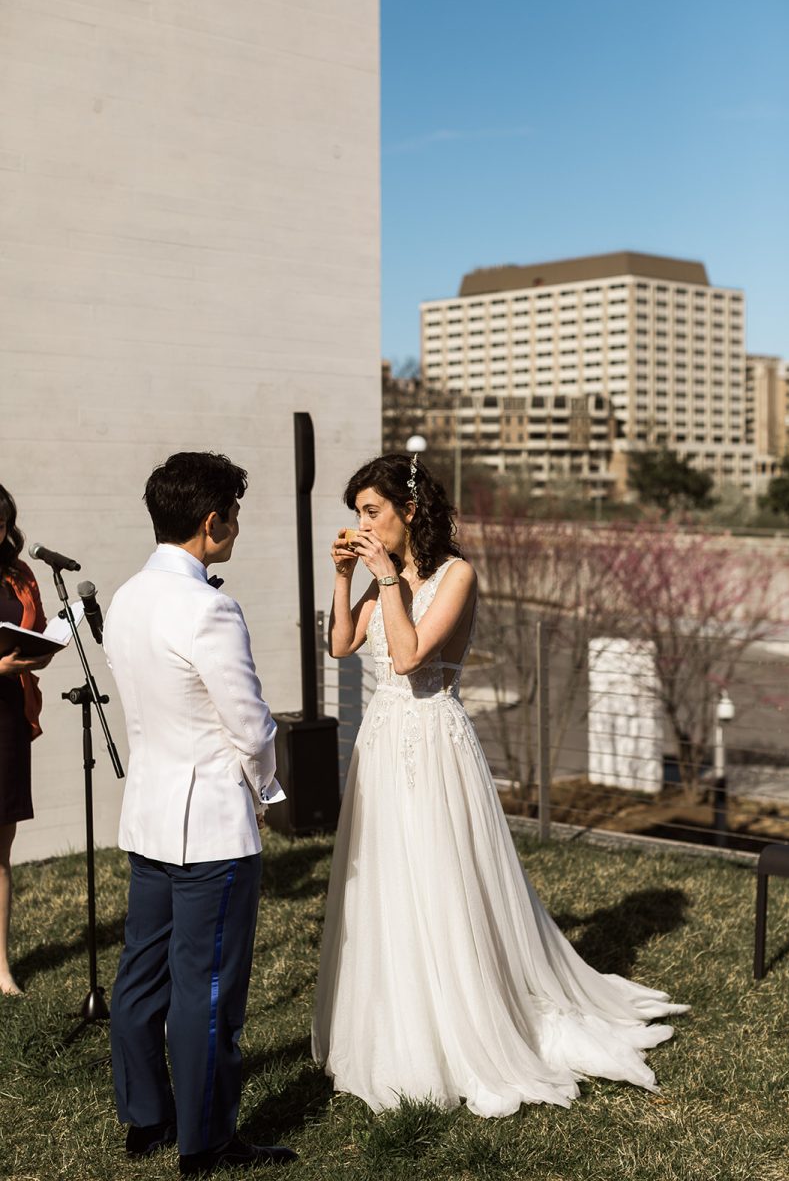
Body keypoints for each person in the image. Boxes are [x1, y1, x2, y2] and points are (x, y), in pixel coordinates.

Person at [312, 453, 688, 1117]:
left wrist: (386, 581)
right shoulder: (380, 579)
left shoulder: (457, 574)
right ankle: (398, 1018)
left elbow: (407, 657)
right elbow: (341, 646)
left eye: (371, 511)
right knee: (389, 880)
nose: (362, 524)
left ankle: (468, 1021)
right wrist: (344, 580)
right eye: (357, 515)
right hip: (380, 745)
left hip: (433, 743)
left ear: (410, 511)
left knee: (441, 877)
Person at [104, 452, 297, 1176]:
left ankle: (146, 1119)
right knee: (207, 990)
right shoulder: (208, 606)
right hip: (210, 824)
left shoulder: (125, 596)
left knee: (141, 975)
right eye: (236, 517)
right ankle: (207, 1141)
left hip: (148, 814)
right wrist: (269, 792)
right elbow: (251, 728)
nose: (239, 529)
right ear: (212, 523)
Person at [0, 484, 52, 997]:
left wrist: (36, 652)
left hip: (7, 717)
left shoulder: (19, 574)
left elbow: (30, 629)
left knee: (0, 850)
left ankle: (1, 968)